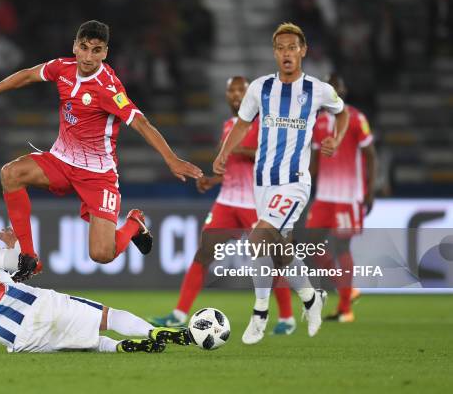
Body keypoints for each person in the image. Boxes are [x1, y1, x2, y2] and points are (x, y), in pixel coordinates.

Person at [0, 20, 203, 270]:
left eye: (96, 50)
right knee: (11, 173)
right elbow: (26, 75)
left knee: (102, 254)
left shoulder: (109, 88)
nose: (89, 56)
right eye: (84, 47)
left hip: (97, 175)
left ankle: (134, 223)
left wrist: (171, 158)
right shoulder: (63, 68)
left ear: (105, 52)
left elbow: (141, 123)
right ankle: (28, 258)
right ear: (75, 46)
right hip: (61, 161)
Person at [213, 22, 349, 345]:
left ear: (303, 51)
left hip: (294, 183)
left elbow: (341, 113)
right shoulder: (260, 88)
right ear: (274, 53)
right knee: (280, 252)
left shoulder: (317, 90)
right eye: (281, 48)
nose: (287, 53)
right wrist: (223, 153)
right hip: (262, 183)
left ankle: (259, 314)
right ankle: (312, 298)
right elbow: (242, 124)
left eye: (292, 47)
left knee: (258, 239)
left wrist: (336, 138)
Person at [0, 217, 193, 354]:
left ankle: (123, 347)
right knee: (107, 316)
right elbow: (24, 261)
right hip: (40, 307)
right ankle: (156, 332)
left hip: (21, 342)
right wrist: (13, 241)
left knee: (86, 343)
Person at [149, 76, 259, 327]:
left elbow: (269, 156)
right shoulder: (229, 125)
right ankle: (178, 315)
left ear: (250, 94)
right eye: (231, 91)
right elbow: (230, 168)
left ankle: (286, 317)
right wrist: (212, 181)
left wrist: (236, 149)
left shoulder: (264, 121)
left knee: (267, 261)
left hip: (255, 203)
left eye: (241, 91)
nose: (235, 95)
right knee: (203, 254)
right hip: (227, 201)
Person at [272, 73, 377, 327]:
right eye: (331, 88)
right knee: (313, 245)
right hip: (324, 197)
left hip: (347, 196)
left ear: (344, 90)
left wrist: (370, 190)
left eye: (338, 87)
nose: (335, 92)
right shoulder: (317, 121)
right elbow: (315, 162)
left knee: (342, 248)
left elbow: (370, 155)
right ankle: (346, 289)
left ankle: (344, 309)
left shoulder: (356, 118)